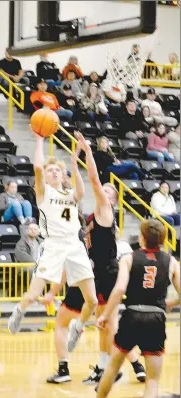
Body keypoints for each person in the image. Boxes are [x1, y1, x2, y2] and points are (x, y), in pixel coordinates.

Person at [44, 132, 145, 384]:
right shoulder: (91, 216)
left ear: (112, 198)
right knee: (104, 323)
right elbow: (79, 181)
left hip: (106, 272)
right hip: (93, 273)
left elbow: (92, 178)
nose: (104, 190)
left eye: (108, 190)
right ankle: (120, 365)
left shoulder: (104, 209)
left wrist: (87, 153)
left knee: (107, 323)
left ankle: (111, 366)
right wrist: (74, 158)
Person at [84, 219, 180, 398]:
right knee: (153, 378)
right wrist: (170, 304)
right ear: (164, 239)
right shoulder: (171, 262)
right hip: (156, 318)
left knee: (114, 365)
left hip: (132, 315)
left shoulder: (129, 258)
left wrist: (105, 314)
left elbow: (118, 290)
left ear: (143, 238)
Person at [8, 133, 97, 336]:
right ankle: (19, 310)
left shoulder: (70, 194)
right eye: (51, 170)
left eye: (58, 169)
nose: (55, 172)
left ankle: (78, 325)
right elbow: (38, 168)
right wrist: (39, 140)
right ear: (46, 176)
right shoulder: (43, 192)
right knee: (33, 294)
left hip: (74, 245)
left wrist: (74, 162)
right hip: (53, 245)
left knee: (92, 300)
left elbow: (81, 191)